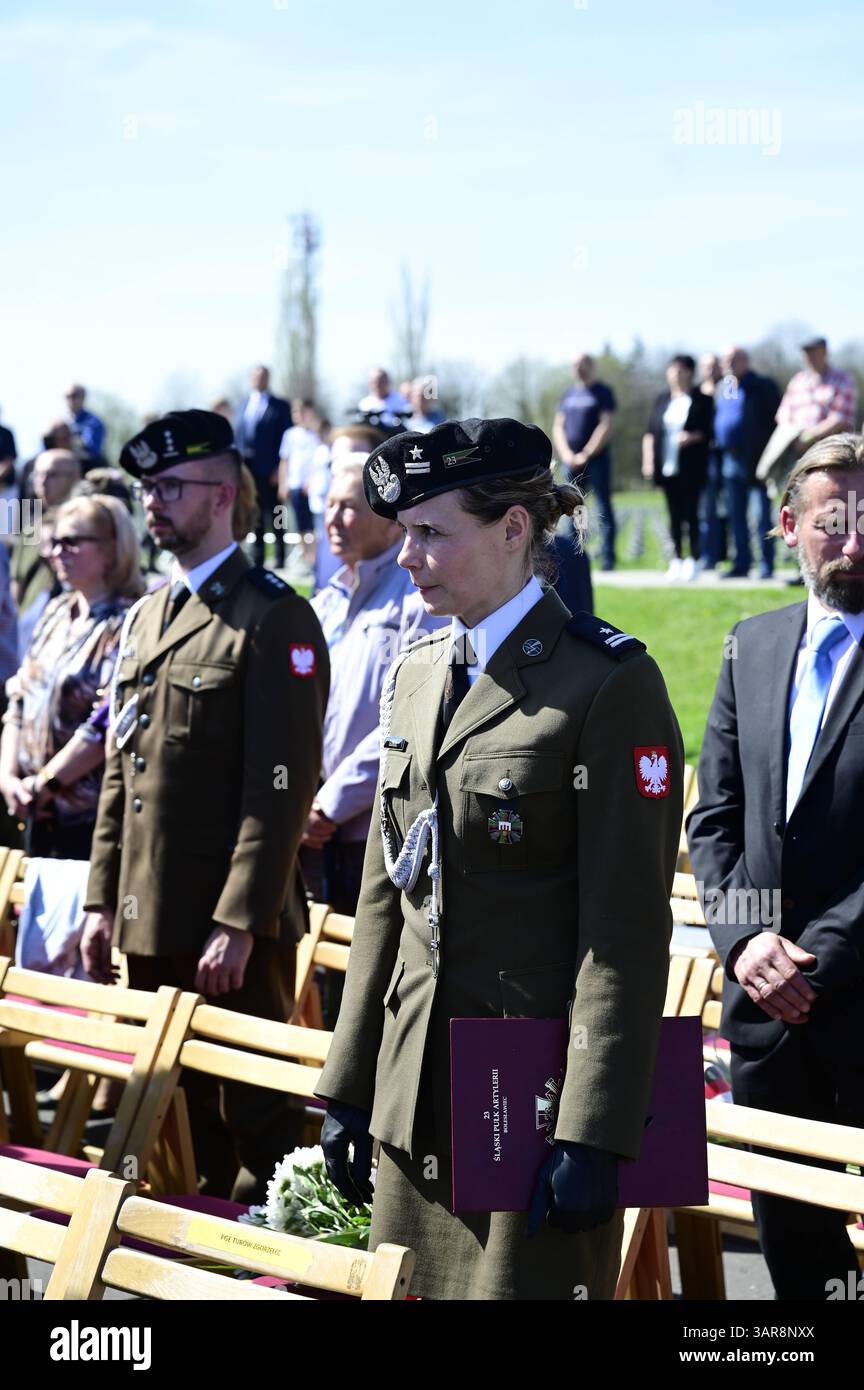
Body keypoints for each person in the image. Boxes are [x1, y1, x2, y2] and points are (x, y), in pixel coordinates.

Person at [315, 417, 683, 1300]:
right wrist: (349, 1082)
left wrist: (594, 1130)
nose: (407, 558)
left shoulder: (605, 682)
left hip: (530, 1099)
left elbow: (623, 931)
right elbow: (384, 904)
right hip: (415, 1084)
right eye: (404, 533)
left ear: (516, 528)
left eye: (433, 534)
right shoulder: (416, 670)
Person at [80, 410, 329, 1202]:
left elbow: (282, 788)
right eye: (146, 488)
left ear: (222, 496)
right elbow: (126, 770)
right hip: (150, 914)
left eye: (171, 487)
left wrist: (239, 922)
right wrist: (98, 901)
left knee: (254, 1121)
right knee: (174, 1116)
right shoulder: (150, 614)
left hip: (230, 933)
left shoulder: (272, 614)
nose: (152, 502)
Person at [687, 432, 864, 1301]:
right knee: (796, 1260)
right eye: (833, 523)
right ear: (789, 525)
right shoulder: (749, 646)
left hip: (859, 1005)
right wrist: (749, 938)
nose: (855, 542)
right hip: (762, 1017)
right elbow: (717, 817)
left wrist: (815, 956)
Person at [302, 461, 442, 914]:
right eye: (329, 505)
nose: (333, 519)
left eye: (349, 508)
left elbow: (409, 720)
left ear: (389, 523)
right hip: (310, 825)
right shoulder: (324, 604)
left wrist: (332, 803)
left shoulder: (418, 599)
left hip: (374, 829)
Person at [0, 495, 144, 858]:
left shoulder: (129, 623)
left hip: (87, 817)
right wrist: (8, 779)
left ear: (112, 549)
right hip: (32, 807)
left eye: (72, 542)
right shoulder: (56, 611)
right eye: (54, 542)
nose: (55, 552)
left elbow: (106, 719)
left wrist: (46, 783)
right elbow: (19, 696)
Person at [713, 347, 781, 579]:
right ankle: (741, 563)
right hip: (729, 459)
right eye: (724, 360)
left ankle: (766, 564)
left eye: (732, 359)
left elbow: (776, 421)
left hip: (756, 459)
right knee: (736, 515)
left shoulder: (762, 386)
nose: (727, 364)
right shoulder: (724, 387)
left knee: (762, 514)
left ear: (744, 360)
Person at [642, 355, 712, 581]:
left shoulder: (702, 399)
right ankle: (677, 559)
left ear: (689, 372)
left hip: (690, 467)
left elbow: (710, 431)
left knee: (691, 514)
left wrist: (692, 437)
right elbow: (651, 432)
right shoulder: (661, 399)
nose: (674, 374)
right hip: (667, 466)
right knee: (673, 515)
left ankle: (693, 559)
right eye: (672, 370)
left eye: (679, 370)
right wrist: (649, 461)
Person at [553, 353, 618, 570]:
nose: (579, 368)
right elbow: (558, 426)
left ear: (592, 366)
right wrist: (567, 454)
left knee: (603, 506)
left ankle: (608, 557)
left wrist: (587, 453)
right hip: (571, 461)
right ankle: (576, 555)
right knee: (575, 509)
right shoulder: (568, 394)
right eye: (575, 364)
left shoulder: (602, 392)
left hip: (597, 460)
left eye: (583, 364)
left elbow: (606, 425)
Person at [233, 365, 293, 568]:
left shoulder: (280, 406)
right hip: (248, 470)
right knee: (254, 511)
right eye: (256, 376)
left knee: (277, 512)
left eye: (263, 376)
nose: (259, 380)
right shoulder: (243, 405)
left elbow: (287, 438)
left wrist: (279, 468)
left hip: (271, 471)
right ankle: (257, 555)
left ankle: (280, 555)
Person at [775, 337, 858, 460]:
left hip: (830, 453)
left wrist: (808, 438)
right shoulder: (797, 380)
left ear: (824, 352)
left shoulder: (842, 379)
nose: (809, 356)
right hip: (794, 451)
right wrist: (793, 439)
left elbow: (839, 419)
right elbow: (783, 415)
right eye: (806, 352)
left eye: (813, 351)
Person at [64, 385, 106, 464]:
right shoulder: (60, 424)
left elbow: (93, 451)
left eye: (74, 396)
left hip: (85, 465)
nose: (70, 400)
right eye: (67, 396)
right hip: (61, 464)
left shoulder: (93, 422)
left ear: (83, 398)